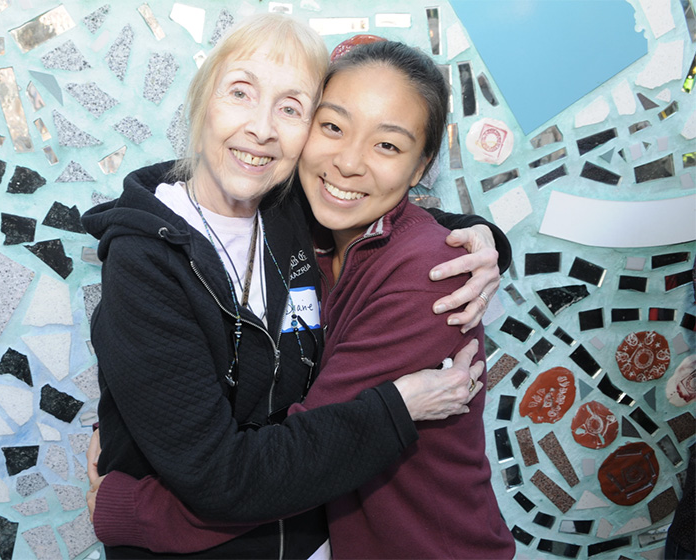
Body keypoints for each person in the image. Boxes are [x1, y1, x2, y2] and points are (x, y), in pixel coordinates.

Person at [81, 15, 511, 559]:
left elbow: (401, 240)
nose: (348, 163)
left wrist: (484, 239)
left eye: (289, 108)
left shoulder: (405, 269)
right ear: (201, 99)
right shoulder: (186, 250)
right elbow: (229, 473)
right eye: (333, 128)